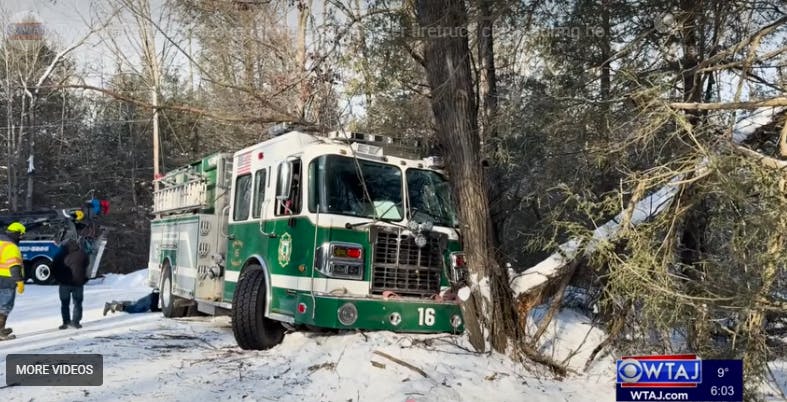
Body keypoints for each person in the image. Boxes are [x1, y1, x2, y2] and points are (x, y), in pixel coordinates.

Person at [54, 239, 89, 329]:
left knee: (65, 303)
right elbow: (87, 264)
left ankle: (66, 322)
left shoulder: (60, 255)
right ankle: (76, 322)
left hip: (64, 283)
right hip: (78, 283)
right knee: (77, 303)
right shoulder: (82, 254)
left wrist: (58, 278)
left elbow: (54, 267)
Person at [0, 222, 25, 340]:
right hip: (7, 280)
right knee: (5, 306)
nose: (21, 238)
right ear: (16, 233)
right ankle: (0, 332)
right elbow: (14, 266)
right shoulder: (11, 247)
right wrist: (19, 281)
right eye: (21, 235)